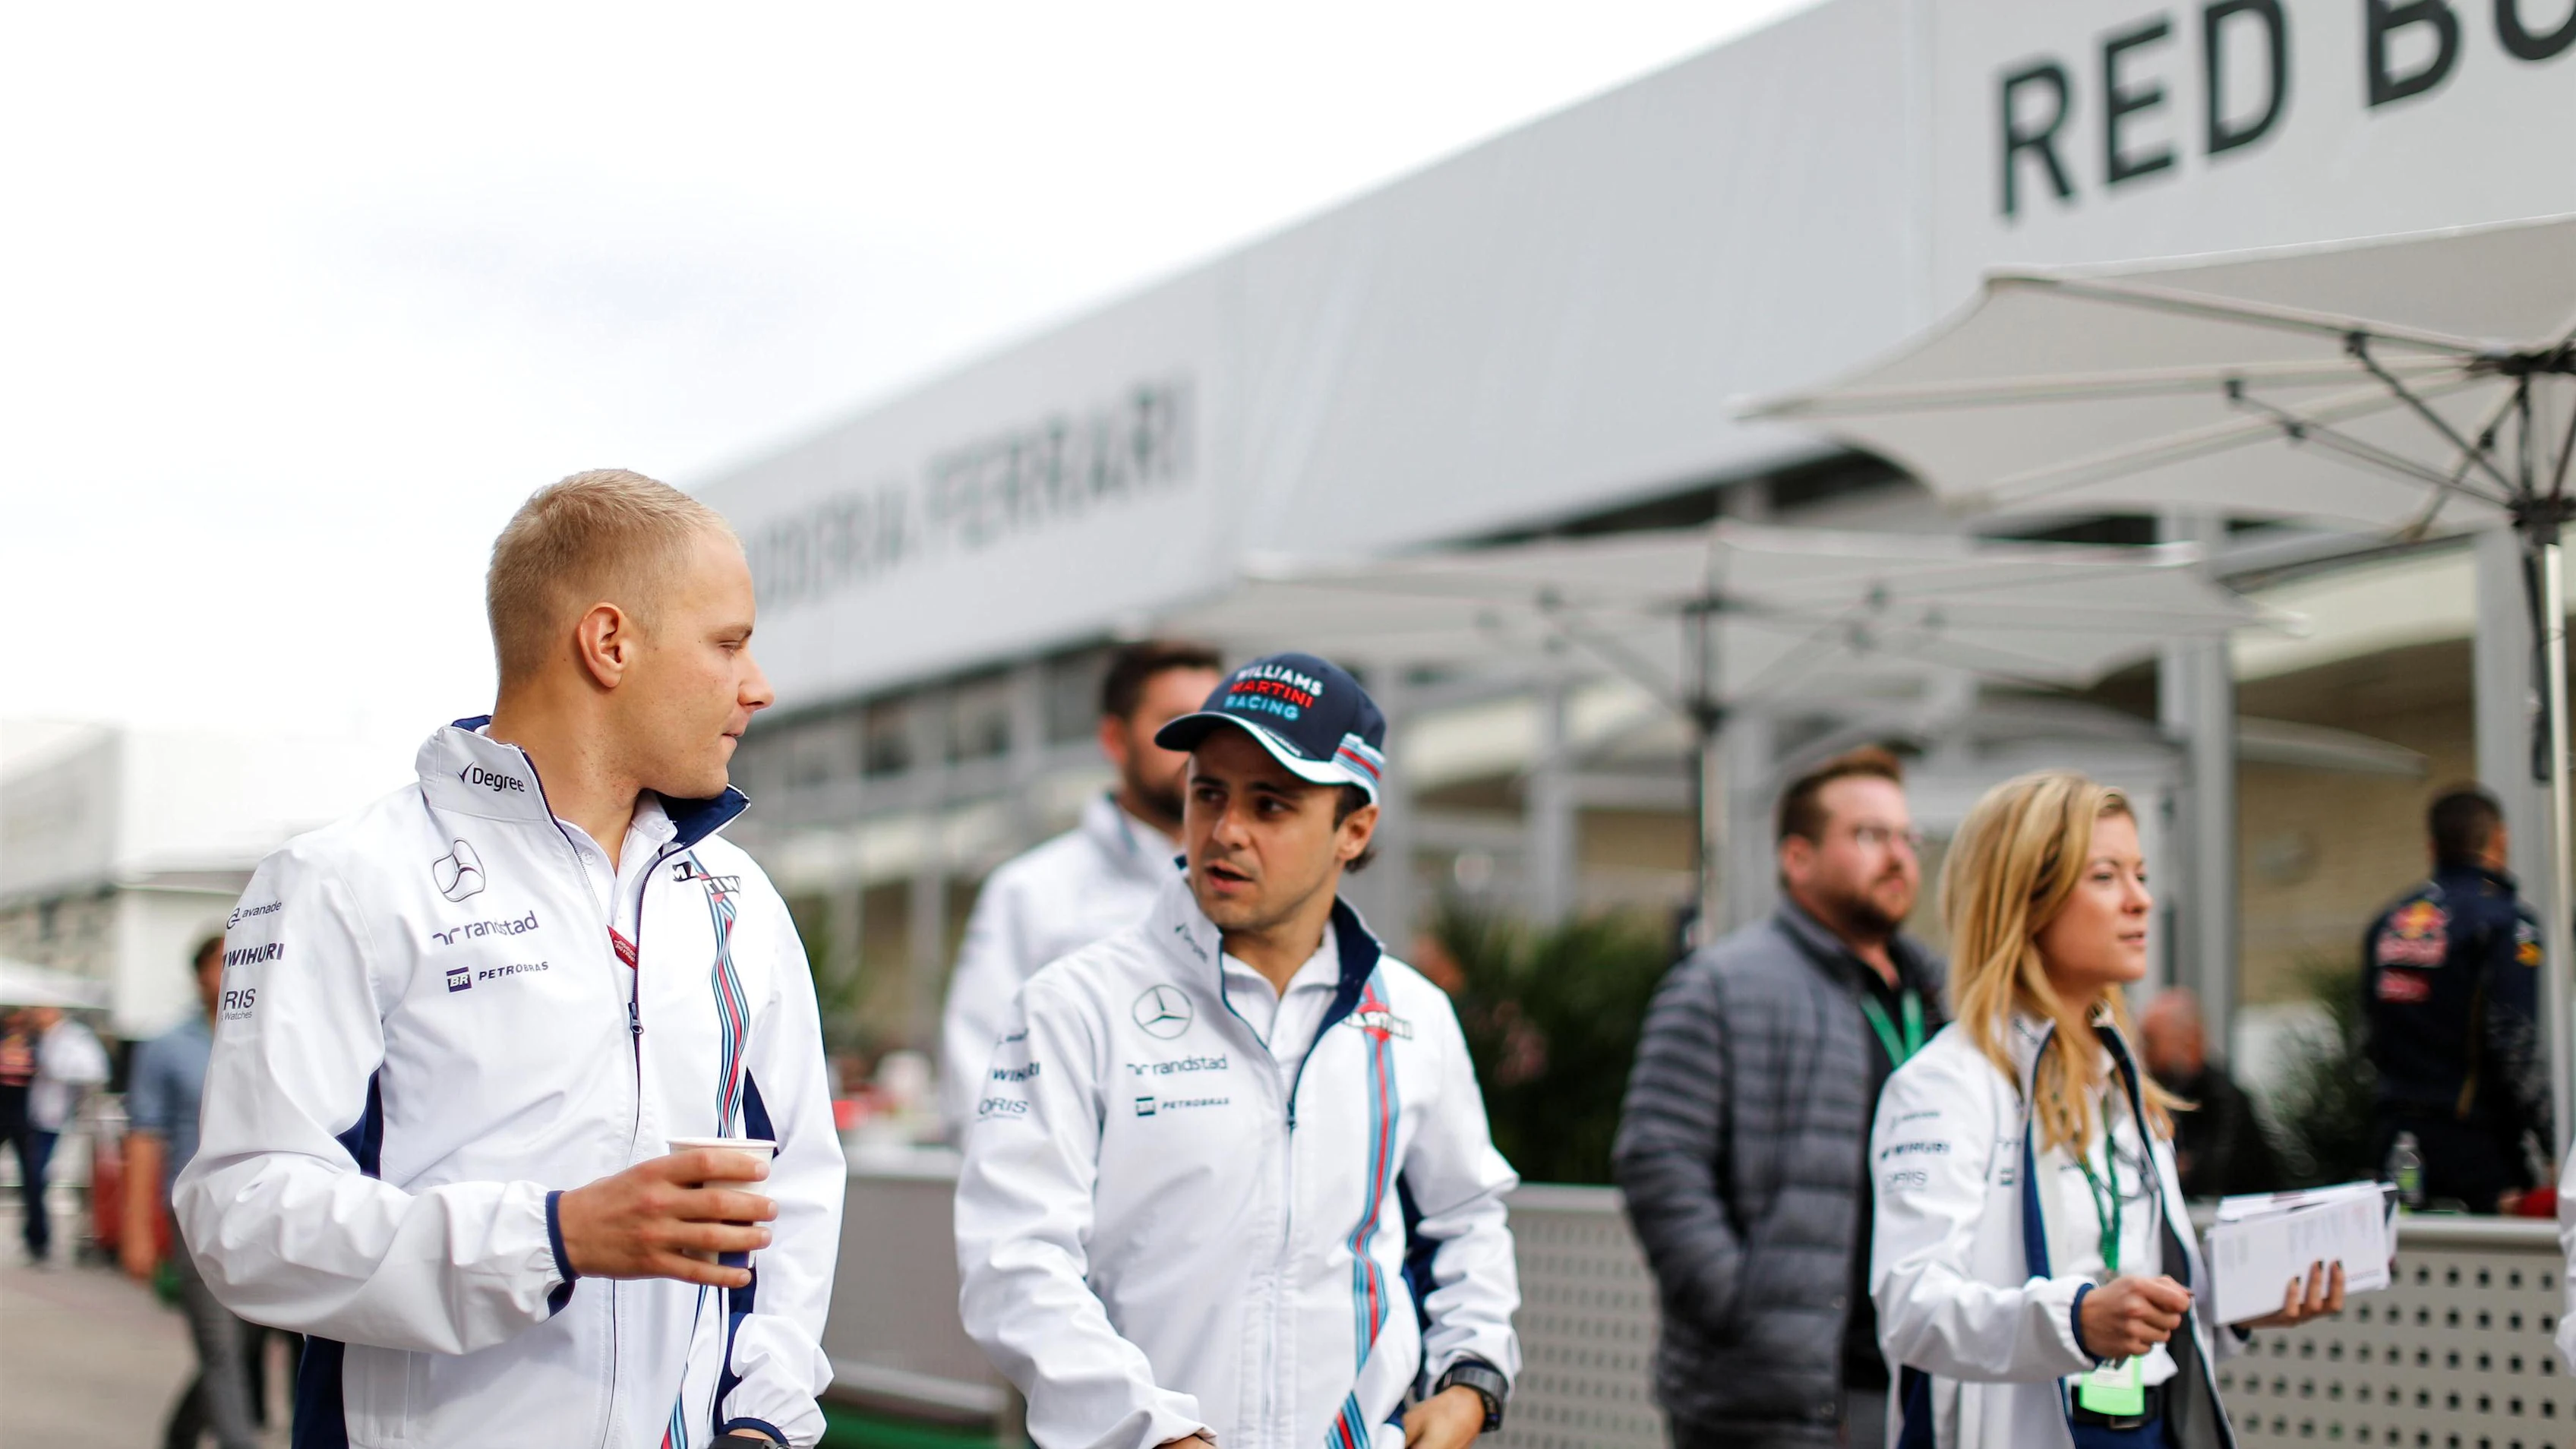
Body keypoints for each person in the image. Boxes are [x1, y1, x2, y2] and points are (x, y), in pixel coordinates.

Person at [174, 469, 846, 1448]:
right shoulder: (341, 881)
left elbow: (797, 1194)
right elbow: (242, 1220)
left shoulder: (739, 898)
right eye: (729, 643)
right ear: (609, 643)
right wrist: (554, 1236)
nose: (759, 685)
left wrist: (762, 1419)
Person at [955, 652, 1520, 1449]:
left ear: (1353, 830)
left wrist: (1470, 1379)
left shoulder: (1410, 1015)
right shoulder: (1073, 1005)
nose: (1226, 831)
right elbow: (1016, 1262)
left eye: (1271, 805)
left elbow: (1465, 1220)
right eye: (1208, 793)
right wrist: (1152, 1432)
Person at [1870, 770, 2339, 1449]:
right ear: (2027, 900)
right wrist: (2078, 1321)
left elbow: (2143, 1298)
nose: (2141, 901)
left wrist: (2241, 1305)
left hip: (2146, 1428)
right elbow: (1912, 1309)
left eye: (2142, 875)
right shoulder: (1944, 1085)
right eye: (2106, 876)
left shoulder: (2121, 1077)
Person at [1612, 745, 1946, 1448]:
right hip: (1775, 1391)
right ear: (1797, 859)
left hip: (1921, 1372)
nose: (1897, 856)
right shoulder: (1720, 985)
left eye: (1905, 837)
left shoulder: (1939, 995)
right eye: (1868, 835)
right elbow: (1658, 1161)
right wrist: (1745, 1307)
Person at [936, 639, 1225, 1132]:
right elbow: (977, 1071)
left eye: (1209, 725)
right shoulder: (1030, 891)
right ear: (1115, 739)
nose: (1197, 747)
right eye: (1175, 724)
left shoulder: (1248, 882)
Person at [2360, 785, 2551, 1214]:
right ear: (2500, 838)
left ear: (2433, 846)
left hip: (2395, 1140)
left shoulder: (2388, 922)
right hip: (2477, 1151)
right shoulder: (2507, 923)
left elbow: (2368, 1035)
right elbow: (2513, 1041)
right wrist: (2554, 1142)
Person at [129, 933, 262, 1449]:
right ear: (199, 974)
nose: (231, 972)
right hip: (193, 1211)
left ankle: (182, 1430)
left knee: (249, 1333)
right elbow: (144, 1137)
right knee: (220, 1343)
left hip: (254, 1206)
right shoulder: (166, 1046)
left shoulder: (264, 1038)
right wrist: (140, 1230)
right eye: (220, 963)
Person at [2136, 990, 2283, 1201]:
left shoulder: (2222, 1098)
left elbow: (2213, 1175)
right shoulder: (2171, 1090)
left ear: (2188, 1040)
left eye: (2150, 1040)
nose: (2144, 1052)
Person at [21, 1001, 109, 1265]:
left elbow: (94, 1070)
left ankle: (43, 1238)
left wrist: (55, 1068)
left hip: (60, 1120)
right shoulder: (37, 1037)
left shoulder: (74, 1038)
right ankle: (36, 1236)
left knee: (41, 1177)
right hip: (35, 1117)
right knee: (33, 1179)